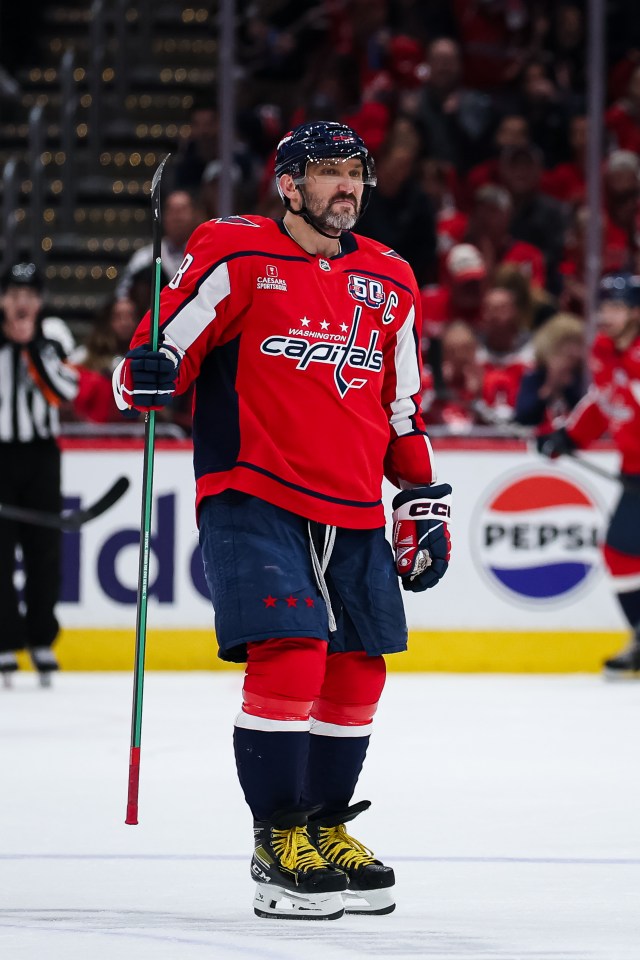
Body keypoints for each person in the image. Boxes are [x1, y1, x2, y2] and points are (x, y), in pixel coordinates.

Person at [113, 121, 452, 919]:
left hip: (357, 503)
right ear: (288, 185)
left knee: (359, 666)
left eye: (355, 174)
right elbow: (150, 366)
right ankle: (278, 839)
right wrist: (149, 372)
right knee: (294, 651)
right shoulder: (235, 251)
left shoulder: (392, 278)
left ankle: (327, 826)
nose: (347, 187)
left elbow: (401, 406)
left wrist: (421, 497)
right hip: (252, 489)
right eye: (328, 172)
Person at [538, 273, 640, 678]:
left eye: (616, 307)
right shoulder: (603, 350)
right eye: (604, 307)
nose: (606, 316)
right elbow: (602, 401)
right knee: (619, 553)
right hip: (635, 473)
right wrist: (568, 436)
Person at [0, 262, 79, 685]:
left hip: (41, 456)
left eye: (29, 293)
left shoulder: (54, 334)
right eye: (13, 293)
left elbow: (66, 391)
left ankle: (40, 640)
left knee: (44, 551)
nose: (21, 301)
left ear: (41, 299)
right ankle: (5, 642)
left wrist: (30, 348)